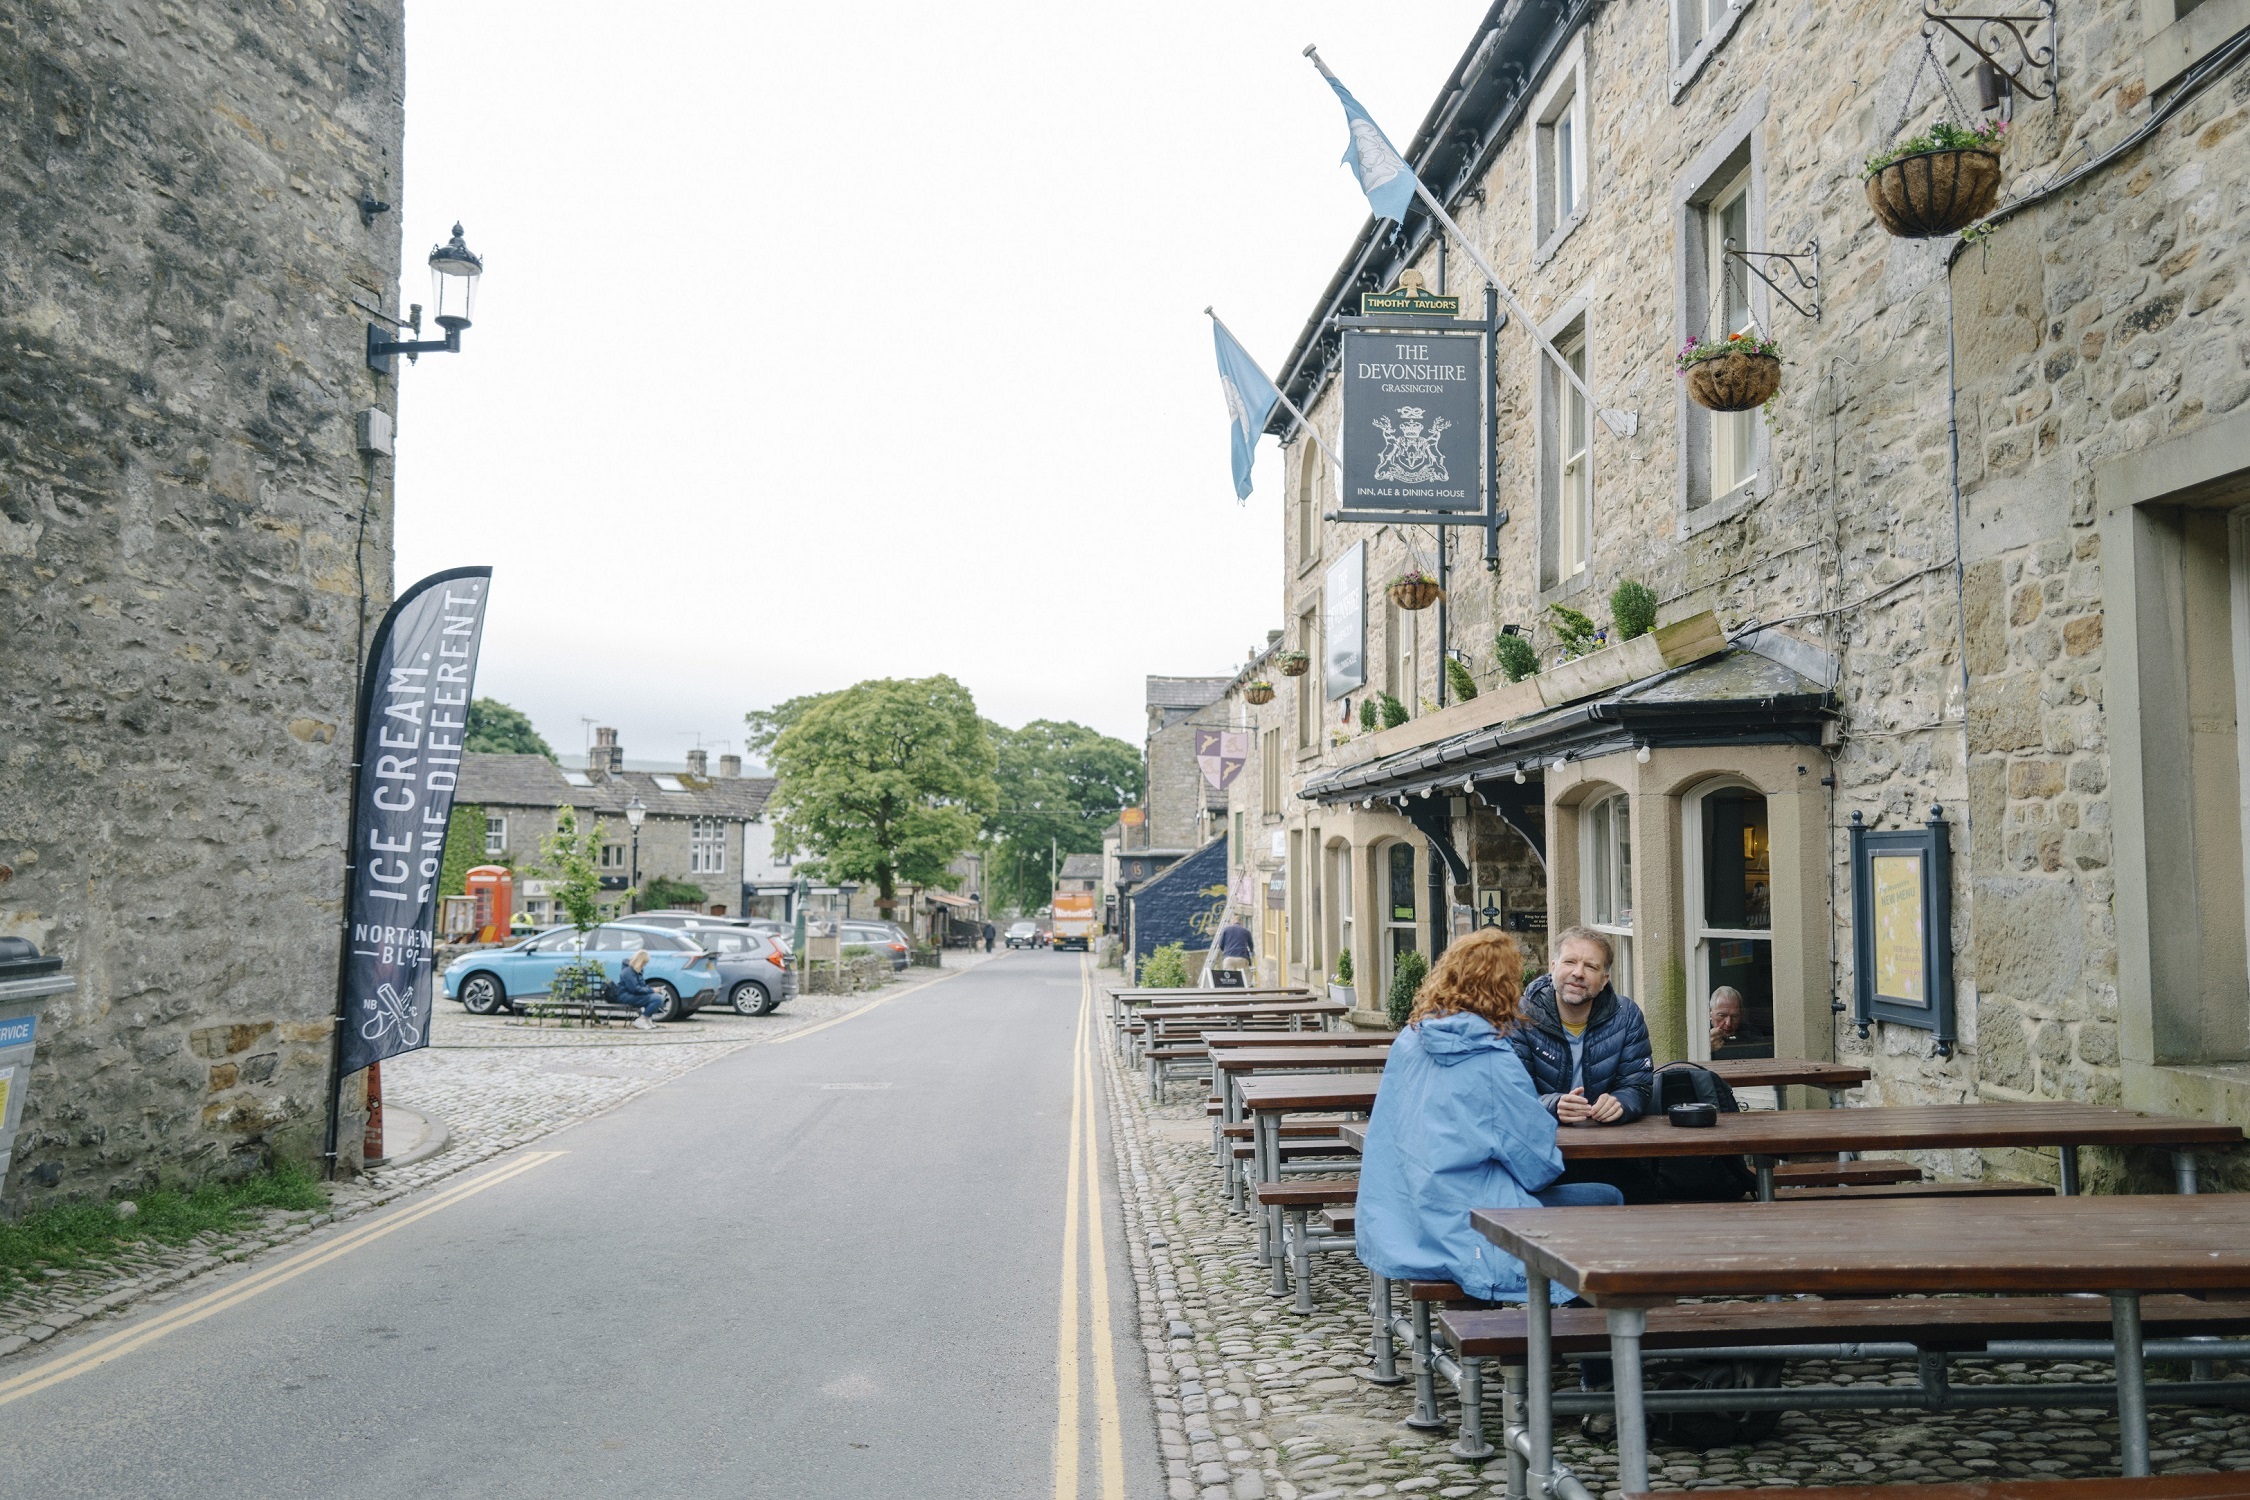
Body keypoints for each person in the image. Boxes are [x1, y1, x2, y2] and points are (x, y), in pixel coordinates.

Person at [1355, 928, 1625, 1307]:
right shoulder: (1495, 1061)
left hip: (1403, 1218)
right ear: (1505, 989)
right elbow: (1538, 1167)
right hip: (1468, 1226)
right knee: (1607, 1199)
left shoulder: (1409, 1041)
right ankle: (1591, 1353)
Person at [1509, 926, 1656, 1208]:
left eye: (1590, 966)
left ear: (1604, 980)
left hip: (1608, 1151)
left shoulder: (1626, 1016)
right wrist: (1552, 1105)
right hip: (1539, 1153)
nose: (1578, 972)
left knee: (1642, 1192)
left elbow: (1638, 1084)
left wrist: (1621, 1102)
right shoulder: (1519, 1016)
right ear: (1552, 967)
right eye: (1569, 962)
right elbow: (1510, 1094)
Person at [613, 949, 667, 1031]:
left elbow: (642, 986)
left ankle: (647, 1018)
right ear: (640, 961)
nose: (644, 965)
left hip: (631, 995)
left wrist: (652, 990)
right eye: (644, 962)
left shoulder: (636, 971)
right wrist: (652, 990)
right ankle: (642, 1019)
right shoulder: (628, 972)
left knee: (659, 998)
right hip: (626, 996)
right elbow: (635, 989)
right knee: (657, 999)